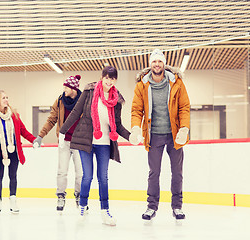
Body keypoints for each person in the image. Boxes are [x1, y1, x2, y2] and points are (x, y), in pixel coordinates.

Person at [59, 66, 130, 226]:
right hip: (86, 141)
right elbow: (76, 112)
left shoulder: (116, 100)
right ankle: (82, 207)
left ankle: (105, 211)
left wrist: (130, 136)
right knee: (87, 176)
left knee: (103, 178)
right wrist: (63, 132)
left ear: (115, 80)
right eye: (107, 78)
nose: (109, 81)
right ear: (102, 77)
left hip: (105, 143)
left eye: (112, 79)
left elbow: (118, 125)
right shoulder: (90, 92)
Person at [130, 49, 190, 220]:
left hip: (174, 135)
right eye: (154, 61)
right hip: (154, 135)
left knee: (177, 172)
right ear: (150, 65)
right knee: (154, 172)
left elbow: (184, 107)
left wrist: (184, 128)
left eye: (160, 61)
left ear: (164, 64)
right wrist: (135, 128)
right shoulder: (142, 85)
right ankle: (151, 206)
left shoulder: (176, 82)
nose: (157, 64)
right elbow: (136, 110)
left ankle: (177, 207)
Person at [33, 75, 83, 212]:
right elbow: (51, 120)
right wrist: (40, 136)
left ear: (73, 88)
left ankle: (79, 196)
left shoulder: (83, 101)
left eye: (66, 87)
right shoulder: (60, 101)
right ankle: (61, 196)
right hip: (64, 142)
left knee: (81, 173)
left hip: (79, 142)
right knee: (62, 172)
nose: (64, 89)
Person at [0, 90, 36, 214]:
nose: (6, 100)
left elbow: (23, 131)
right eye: (3, 98)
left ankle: (13, 199)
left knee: (13, 176)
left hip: (14, 151)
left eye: (7, 97)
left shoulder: (14, 115)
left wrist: (34, 140)